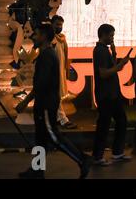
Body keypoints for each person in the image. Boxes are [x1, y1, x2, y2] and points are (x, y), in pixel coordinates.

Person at [17, 23, 91, 179]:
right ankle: (37, 170)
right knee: (41, 139)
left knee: (53, 136)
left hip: (45, 104)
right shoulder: (46, 54)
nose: (33, 37)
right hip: (44, 103)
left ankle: (82, 159)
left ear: (43, 36)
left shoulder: (46, 56)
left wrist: (24, 102)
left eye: (36, 34)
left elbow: (40, 85)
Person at [92, 24, 131, 166]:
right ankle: (98, 156)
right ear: (103, 34)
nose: (112, 38)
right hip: (106, 95)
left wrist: (114, 54)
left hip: (112, 94)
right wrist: (121, 65)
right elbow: (103, 73)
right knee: (104, 125)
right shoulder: (100, 51)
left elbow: (111, 67)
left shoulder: (104, 50)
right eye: (111, 35)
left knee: (121, 121)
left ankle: (116, 152)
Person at [50, 15, 77, 129]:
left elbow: (65, 55)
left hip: (60, 72)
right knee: (56, 96)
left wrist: (66, 70)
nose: (59, 27)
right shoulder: (51, 39)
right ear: (52, 25)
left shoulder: (62, 39)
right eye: (57, 24)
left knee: (57, 96)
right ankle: (63, 119)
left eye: (61, 25)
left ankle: (56, 118)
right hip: (51, 73)